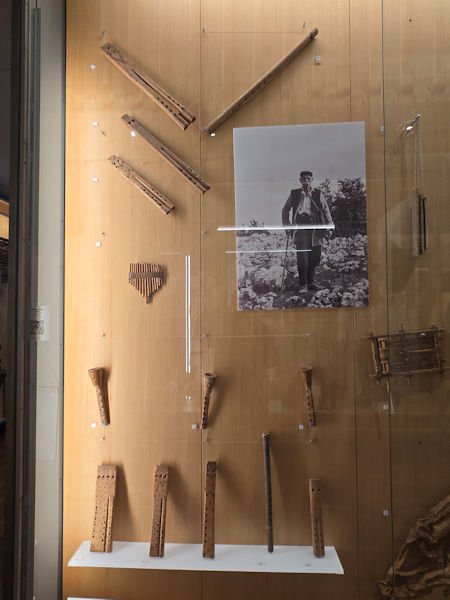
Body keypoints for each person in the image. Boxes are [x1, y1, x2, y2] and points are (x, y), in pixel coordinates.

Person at [281, 170, 334, 294]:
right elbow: (285, 210)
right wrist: (287, 226)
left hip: (315, 228)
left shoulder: (318, 194)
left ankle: (311, 282)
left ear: (312, 180)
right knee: (302, 258)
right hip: (301, 228)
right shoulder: (294, 194)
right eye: (304, 179)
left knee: (315, 257)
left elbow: (326, 210)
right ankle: (303, 285)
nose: (306, 181)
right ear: (300, 180)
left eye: (308, 179)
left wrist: (330, 226)